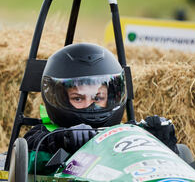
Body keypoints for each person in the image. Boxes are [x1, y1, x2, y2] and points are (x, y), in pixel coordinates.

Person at [25, 42, 178, 165]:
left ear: (110, 97)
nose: (90, 105)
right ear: (60, 99)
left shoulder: (125, 131)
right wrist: (62, 140)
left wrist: (161, 139)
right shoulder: (43, 136)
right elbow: (28, 156)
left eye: (98, 98)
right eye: (78, 98)